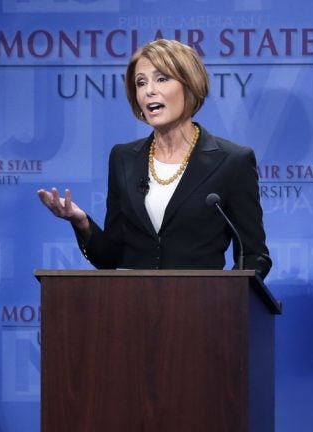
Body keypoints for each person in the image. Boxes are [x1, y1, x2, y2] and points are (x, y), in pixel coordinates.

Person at [37, 39, 271, 277]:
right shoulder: (123, 158)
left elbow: (254, 255)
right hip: (133, 307)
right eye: (141, 82)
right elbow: (110, 256)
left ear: (189, 85)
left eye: (161, 79)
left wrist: (229, 297)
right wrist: (81, 222)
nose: (149, 90)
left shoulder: (232, 161)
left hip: (202, 308)